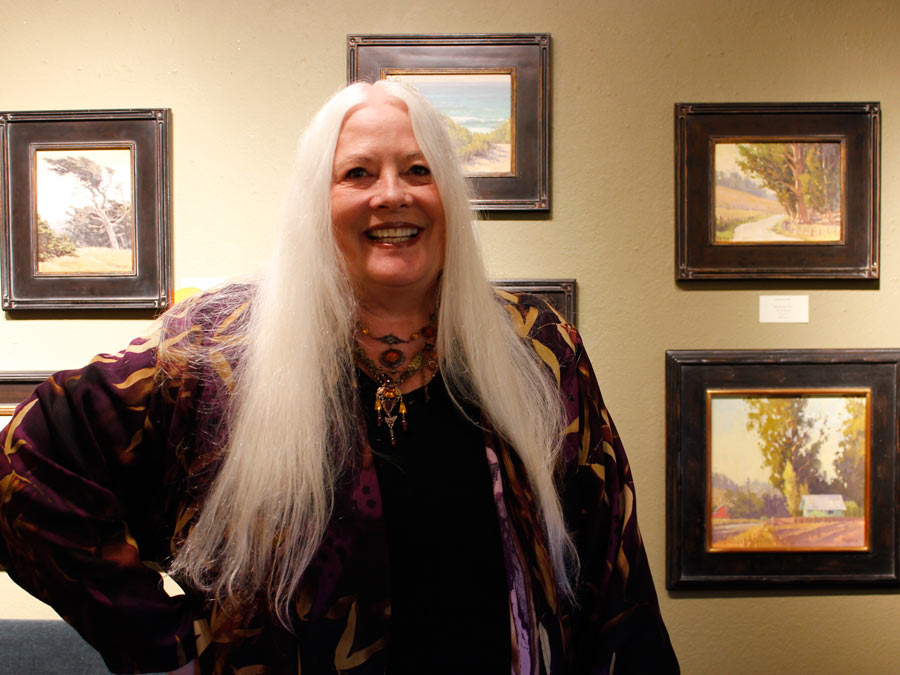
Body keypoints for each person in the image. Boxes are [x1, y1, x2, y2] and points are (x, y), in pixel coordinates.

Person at [0, 80, 678, 674]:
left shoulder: (538, 345)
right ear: (315, 203)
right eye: (358, 173)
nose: (393, 195)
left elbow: (613, 574)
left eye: (419, 169)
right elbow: (24, 472)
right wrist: (163, 647)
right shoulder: (215, 346)